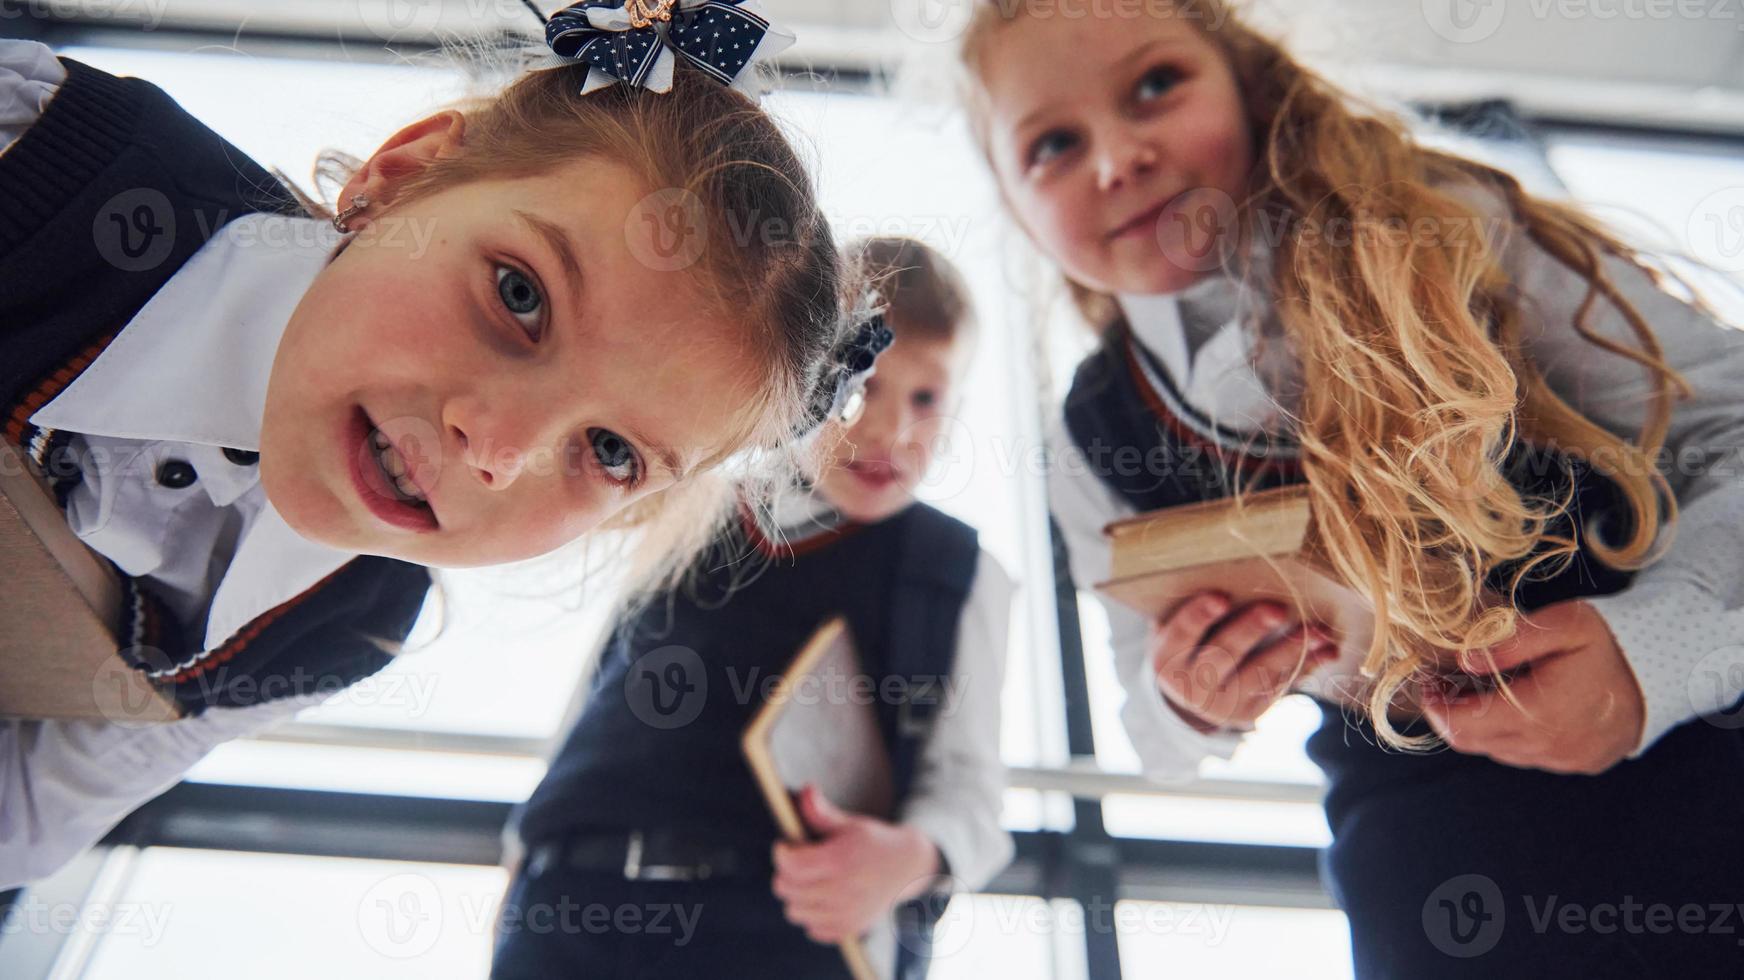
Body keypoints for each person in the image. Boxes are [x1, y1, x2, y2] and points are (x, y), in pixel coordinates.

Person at [958, 1, 1744, 974]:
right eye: (1052, 145)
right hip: (1425, 884)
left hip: (1696, 800)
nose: (1117, 158)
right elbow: (1146, 720)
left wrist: (1651, 656)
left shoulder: (1449, 234)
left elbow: (1731, 428)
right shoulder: (1087, 437)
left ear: (1245, 79)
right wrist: (1191, 697)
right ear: (1011, 205)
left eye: (1155, 86)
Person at [0, 0, 847, 888]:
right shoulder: (44, 152)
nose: (499, 446)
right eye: (521, 296)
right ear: (401, 177)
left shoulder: (341, 626)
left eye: (610, 451)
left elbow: (26, 815)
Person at [492, 237, 1013, 980]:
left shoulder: (956, 573)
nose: (888, 430)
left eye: (925, 399)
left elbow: (969, 791)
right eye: (863, 385)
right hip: (569, 912)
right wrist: (522, 863)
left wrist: (907, 859)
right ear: (806, 376)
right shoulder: (690, 500)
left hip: (782, 938)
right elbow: (598, 696)